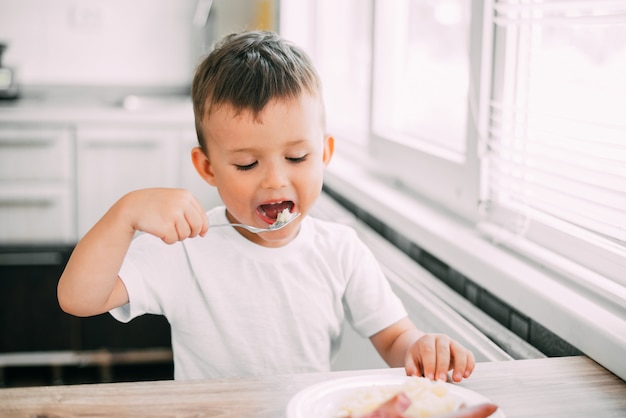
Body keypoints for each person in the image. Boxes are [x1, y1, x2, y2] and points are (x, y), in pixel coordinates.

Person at [57, 30, 475, 383]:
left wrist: (421, 347)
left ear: (325, 152)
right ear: (208, 168)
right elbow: (78, 298)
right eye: (246, 164)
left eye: (297, 158)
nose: (275, 180)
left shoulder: (340, 250)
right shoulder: (185, 249)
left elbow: (393, 338)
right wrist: (124, 215)